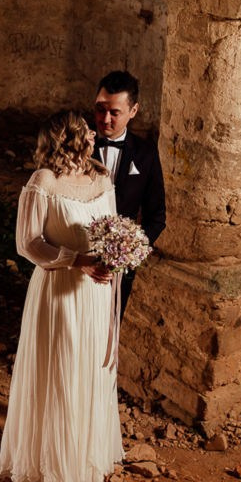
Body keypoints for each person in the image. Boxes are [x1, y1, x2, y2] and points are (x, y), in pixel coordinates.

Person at [0, 111, 126, 482]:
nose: (92, 133)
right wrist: (77, 260)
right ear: (66, 137)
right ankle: (53, 466)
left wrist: (112, 258)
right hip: (59, 291)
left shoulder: (101, 176)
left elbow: (114, 226)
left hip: (97, 290)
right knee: (62, 369)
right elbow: (28, 243)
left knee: (89, 368)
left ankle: (84, 456)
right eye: (84, 129)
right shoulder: (43, 182)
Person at [90, 69, 166, 315]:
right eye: (101, 110)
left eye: (115, 112)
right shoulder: (78, 145)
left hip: (120, 265)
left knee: (111, 325)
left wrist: (130, 254)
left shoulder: (146, 154)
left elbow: (157, 216)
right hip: (78, 257)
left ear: (133, 111)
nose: (105, 119)